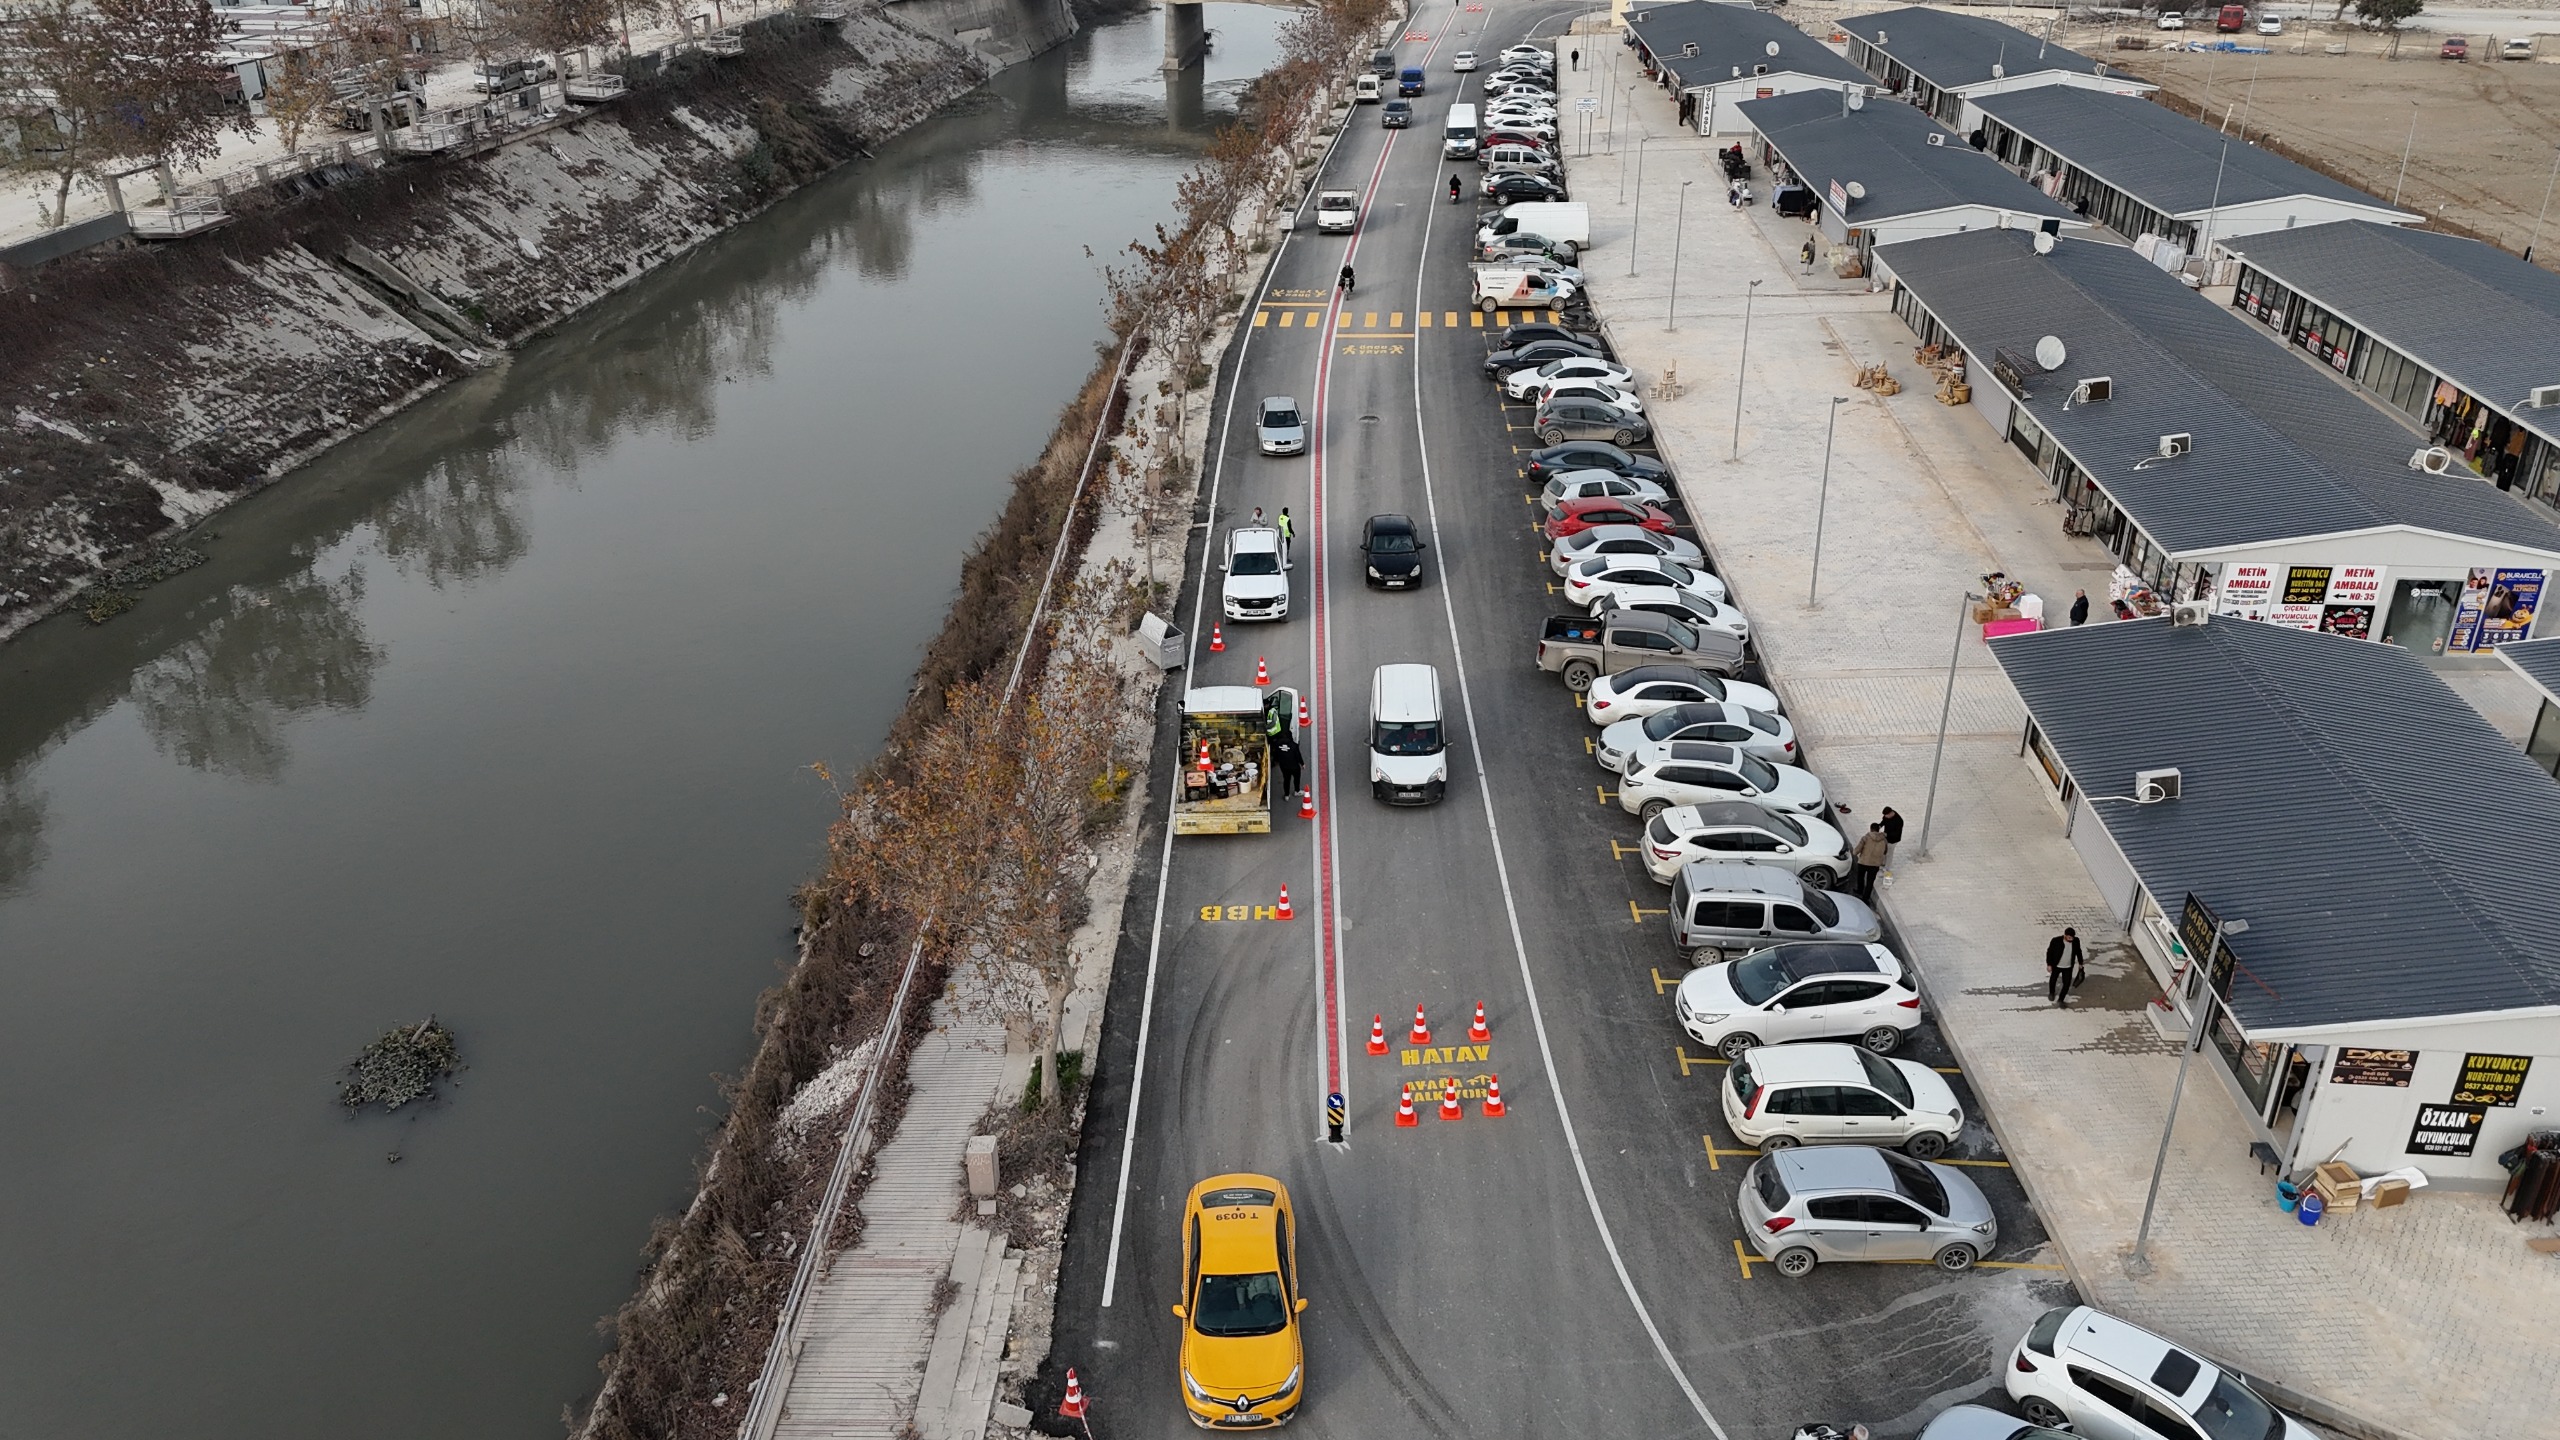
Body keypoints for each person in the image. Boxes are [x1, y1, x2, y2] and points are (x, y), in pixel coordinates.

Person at [2045, 927, 2084, 1006]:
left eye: (2072, 937)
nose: (2071, 939)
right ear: (2065, 935)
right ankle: (2051, 993)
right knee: (2053, 979)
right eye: (2069, 937)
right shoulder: (2056, 941)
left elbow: (2078, 952)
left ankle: (2061, 999)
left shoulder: (2076, 941)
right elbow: (2049, 952)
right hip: (2057, 965)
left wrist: (2080, 963)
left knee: (2066, 984)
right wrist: (2049, 964)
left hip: (2068, 967)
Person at [1850, 824, 1889, 900]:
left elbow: (1857, 850)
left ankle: (1859, 890)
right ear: (1878, 830)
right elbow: (1885, 851)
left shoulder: (1866, 838)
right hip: (1875, 865)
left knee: (1860, 877)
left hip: (1863, 862)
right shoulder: (1884, 840)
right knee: (1870, 882)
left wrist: (1854, 852)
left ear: (1871, 829)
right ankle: (1866, 898)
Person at [1271, 728, 1303, 800]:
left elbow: (1275, 755)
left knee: (1286, 780)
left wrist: (1276, 761)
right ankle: (1297, 791)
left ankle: (1286, 795)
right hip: (1294, 766)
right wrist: (1302, 763)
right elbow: (1298, 755)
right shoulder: (1294, 745)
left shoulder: (1277, 745)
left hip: (1284, 766)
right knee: (1296, 778)